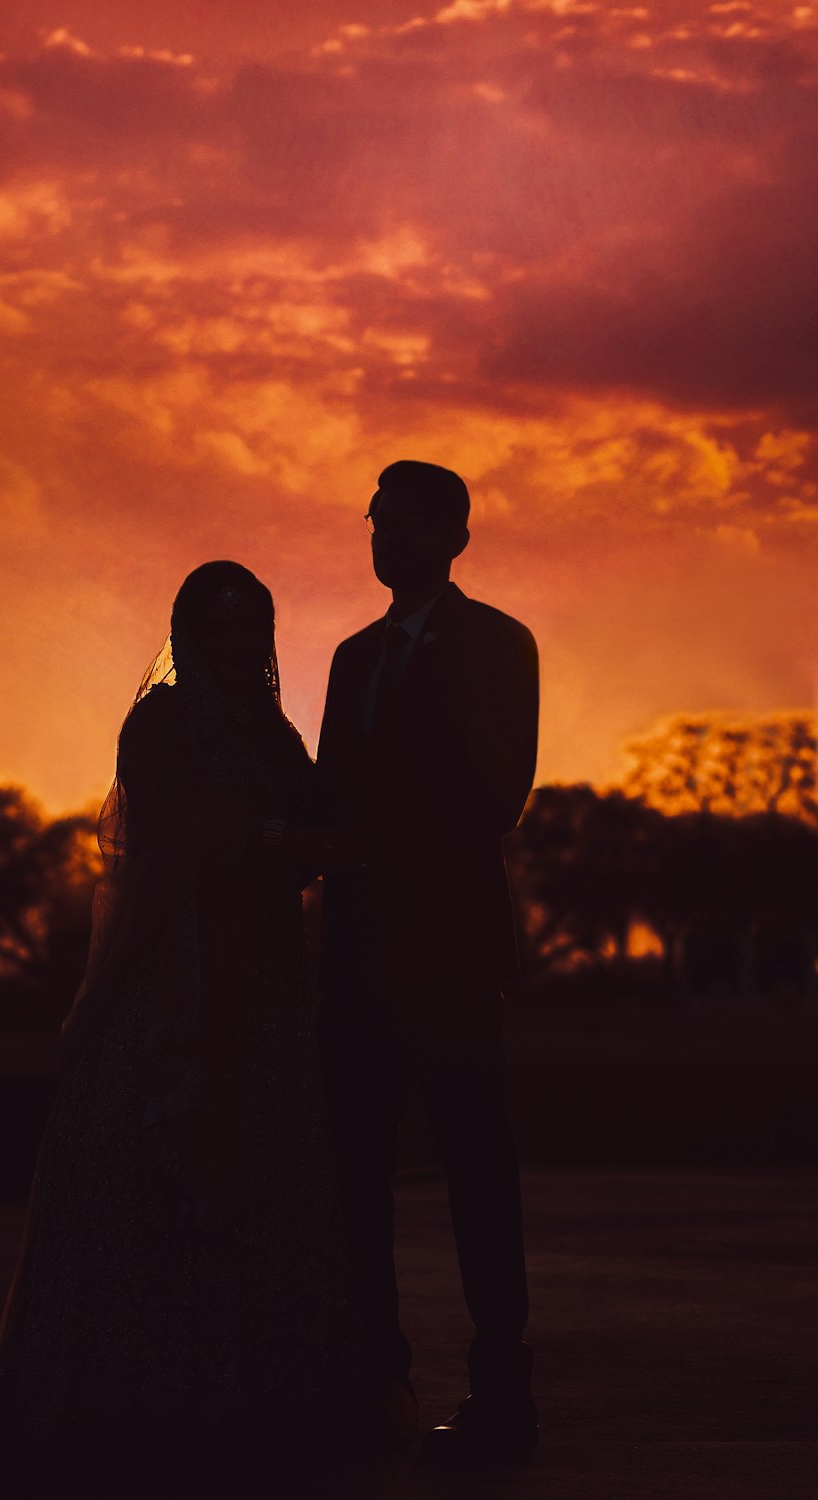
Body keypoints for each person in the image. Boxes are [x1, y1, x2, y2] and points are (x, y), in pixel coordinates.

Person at [0, 561, 361, 1449]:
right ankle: (142, 1387)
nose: (239, 646)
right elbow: (167, 855)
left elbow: (322, 832)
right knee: (158, 1166)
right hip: (178, 970)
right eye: (220, 628)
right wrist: (263, 844)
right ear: (189, 635)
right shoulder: (160, 723)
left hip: (266, 978)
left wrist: (297, 845)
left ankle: (244, 1385)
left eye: (254, 628)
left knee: (255, 1164)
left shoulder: (275, 733)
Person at [317, 460, 540, 1456]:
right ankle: (380, 1381)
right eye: (378, 521)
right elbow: (326, 799)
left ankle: (502, 1391)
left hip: (449, 953)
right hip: (358, 957)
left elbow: (498, 796)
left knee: (476, 1172)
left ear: (455, 538)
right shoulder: (350, 658)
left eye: (410, 524)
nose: (388, 539)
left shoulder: (497, 644)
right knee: (355, 1176)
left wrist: (377, 830)